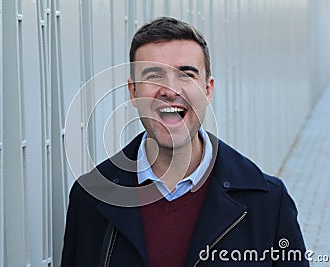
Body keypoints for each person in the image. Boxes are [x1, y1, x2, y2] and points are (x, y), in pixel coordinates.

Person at [60, 17, 308, 267]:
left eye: (186, 75)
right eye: (154, 75)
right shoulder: (91, 197)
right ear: (133, 92)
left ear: (208, 90)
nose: (170, 90)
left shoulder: (267, 203)